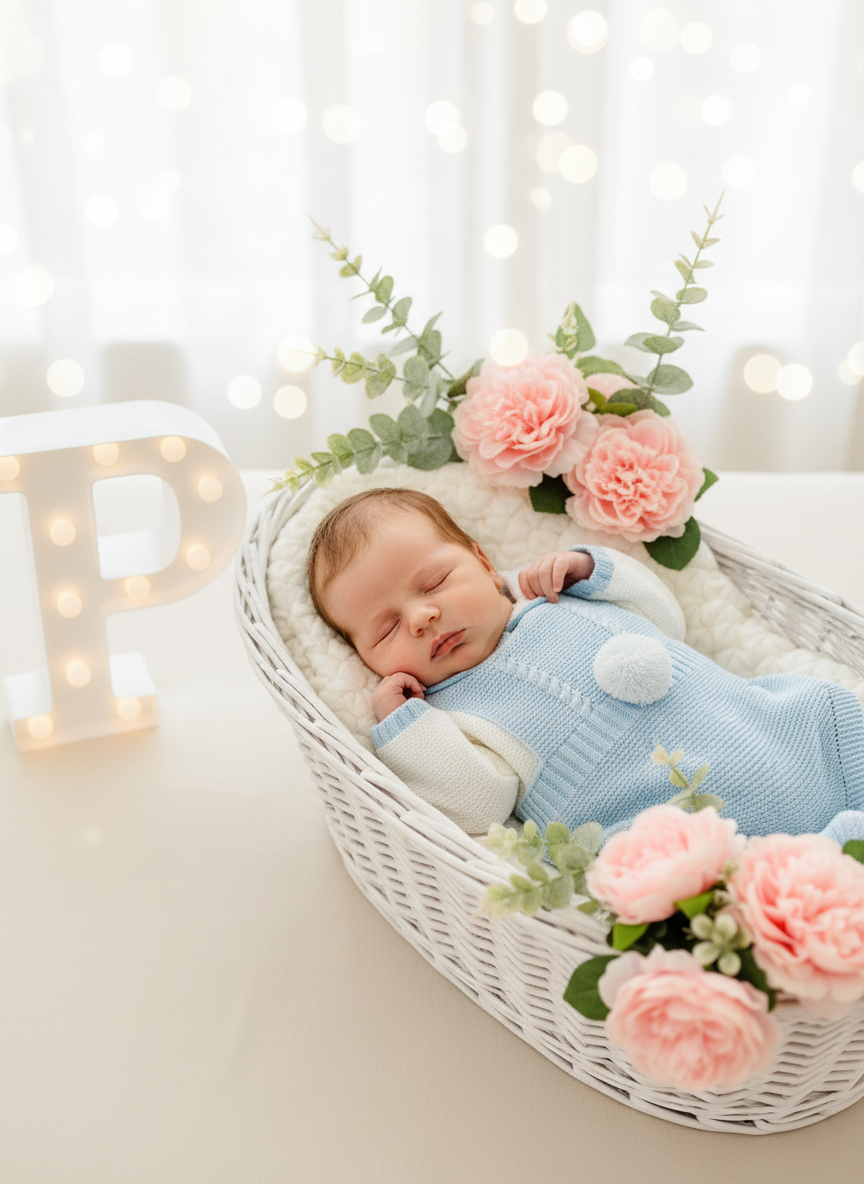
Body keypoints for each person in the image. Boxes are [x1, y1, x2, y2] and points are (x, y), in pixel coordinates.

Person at [308, 486, 864, 844]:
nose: (423, 617)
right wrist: (406, 730)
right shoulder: (453, 715)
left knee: (826, 709)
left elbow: (666, 620)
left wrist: (593, 570)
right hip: (669, 821)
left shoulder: (552, 591)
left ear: (482, 561)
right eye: (386, 629)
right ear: (366, 659)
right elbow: (480, 804)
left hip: (760, 730)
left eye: (435, 583)